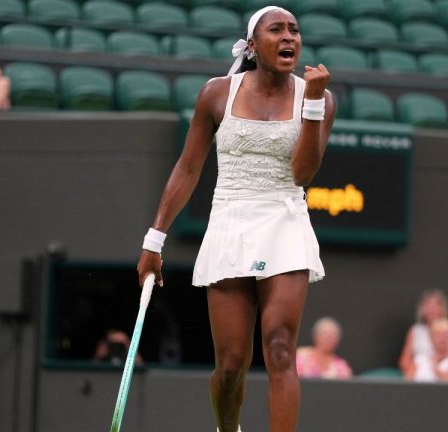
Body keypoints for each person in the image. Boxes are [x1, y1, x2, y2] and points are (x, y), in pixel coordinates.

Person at [135, 6, 335, 432]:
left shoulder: (317, 95)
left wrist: (314, 104)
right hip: (230, 222)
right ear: (251, 45)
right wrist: (154, 241)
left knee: (280, 347)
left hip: (285, 221)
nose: (289, 38)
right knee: (229, 366)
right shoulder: (216, 93)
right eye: (276, 30)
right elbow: (188, 169)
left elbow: (302, 173)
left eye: (294, 31)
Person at [398, 289, 448, 375]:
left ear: (442, 308)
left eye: (435, 306)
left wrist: (436, 367)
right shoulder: (415, 331)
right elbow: (404, 362)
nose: (431, 310)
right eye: (428, 306)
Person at [407, 318, 448, 382]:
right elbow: (407, 382)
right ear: (431, 338)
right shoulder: (419, 359)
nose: (442, 339)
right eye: (438, 335)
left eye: (445, 335)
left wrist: (435, 366)